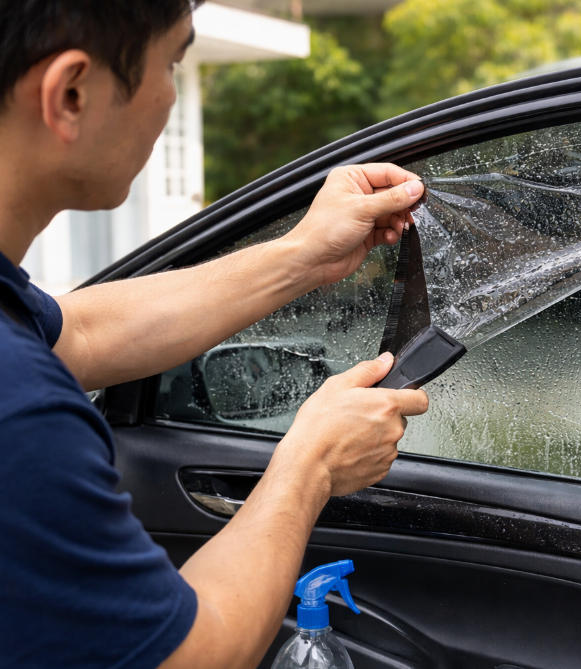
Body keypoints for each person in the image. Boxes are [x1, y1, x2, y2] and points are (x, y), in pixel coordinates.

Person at [0, 2, 429, 667]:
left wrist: (304, 255)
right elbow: (191, 655)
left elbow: (77, 333)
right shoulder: (20, 412)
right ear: (72, 94)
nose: (173, 93)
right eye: (172, 61)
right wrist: (311, 460)